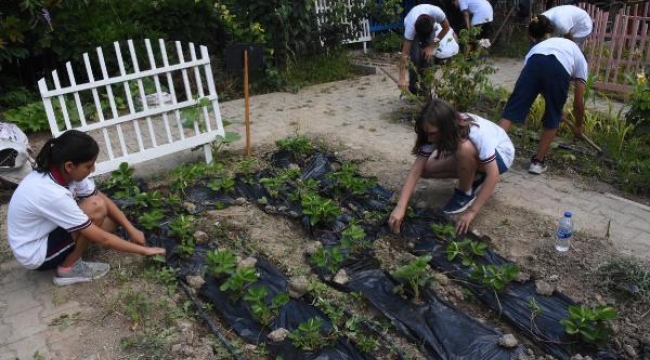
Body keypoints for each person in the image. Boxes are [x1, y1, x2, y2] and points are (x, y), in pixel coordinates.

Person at [7, 130, 166, 286]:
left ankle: (72, 250)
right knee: (96, 208)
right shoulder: (51, 193)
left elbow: (101, 197)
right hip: (35, 252)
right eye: (89, 165)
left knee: (109, 220)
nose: (93, 169)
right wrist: (145, 251)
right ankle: (68, 269)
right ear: (70, 166)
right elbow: (104, 240)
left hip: (45, 232)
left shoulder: (64, 172)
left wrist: (130, 229)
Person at [388, 98, 515, 235]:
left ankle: (465, 193)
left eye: (433, 134)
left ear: (446, 127)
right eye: (427, 134)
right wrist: (400, 207)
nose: (430, 139)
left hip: (501, 156)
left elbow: (494, 176)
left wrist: (471, 212)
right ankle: (475, 175)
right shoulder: (434, 129)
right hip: (474, 152)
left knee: (463, 148)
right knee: (426, 169)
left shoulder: (476, 133)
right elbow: (416, 170)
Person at [498, 19, 588, 174]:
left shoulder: (544, 45)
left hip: (534, 61)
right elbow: (579, 102)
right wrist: (578, 125)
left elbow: (538, 83)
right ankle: (537, 163)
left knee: (512, 109)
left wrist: (553, 101)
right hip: (557, 67)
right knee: (552, 116)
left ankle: (490, 149)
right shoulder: (582, 63)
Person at [398, 4, 452, 95]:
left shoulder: (437, 13)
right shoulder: (410, 28)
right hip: (415, 30)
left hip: (430, 29)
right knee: (415, 58)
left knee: (428, 57)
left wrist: (431, 46)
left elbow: (446, 28)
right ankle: (413, 88)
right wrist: (401, 78)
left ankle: (426, 89)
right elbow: (404, 54)